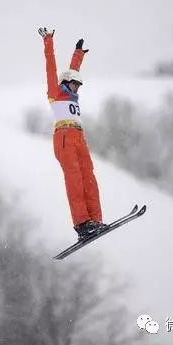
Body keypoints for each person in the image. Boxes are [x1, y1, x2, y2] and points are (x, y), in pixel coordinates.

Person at [38, 26, 107, 241]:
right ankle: (82, 224)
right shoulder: (56, 92)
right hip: (65, 138)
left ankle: (95, 220)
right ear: (66, 83)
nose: (77, 88)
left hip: (79, 138)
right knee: (75, 180)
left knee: (89, 178)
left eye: (78, 85)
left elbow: (73, 71)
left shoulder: (72, 94)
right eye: (74, 84)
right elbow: (52, 69)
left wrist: (78, 54)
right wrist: (48, 41)